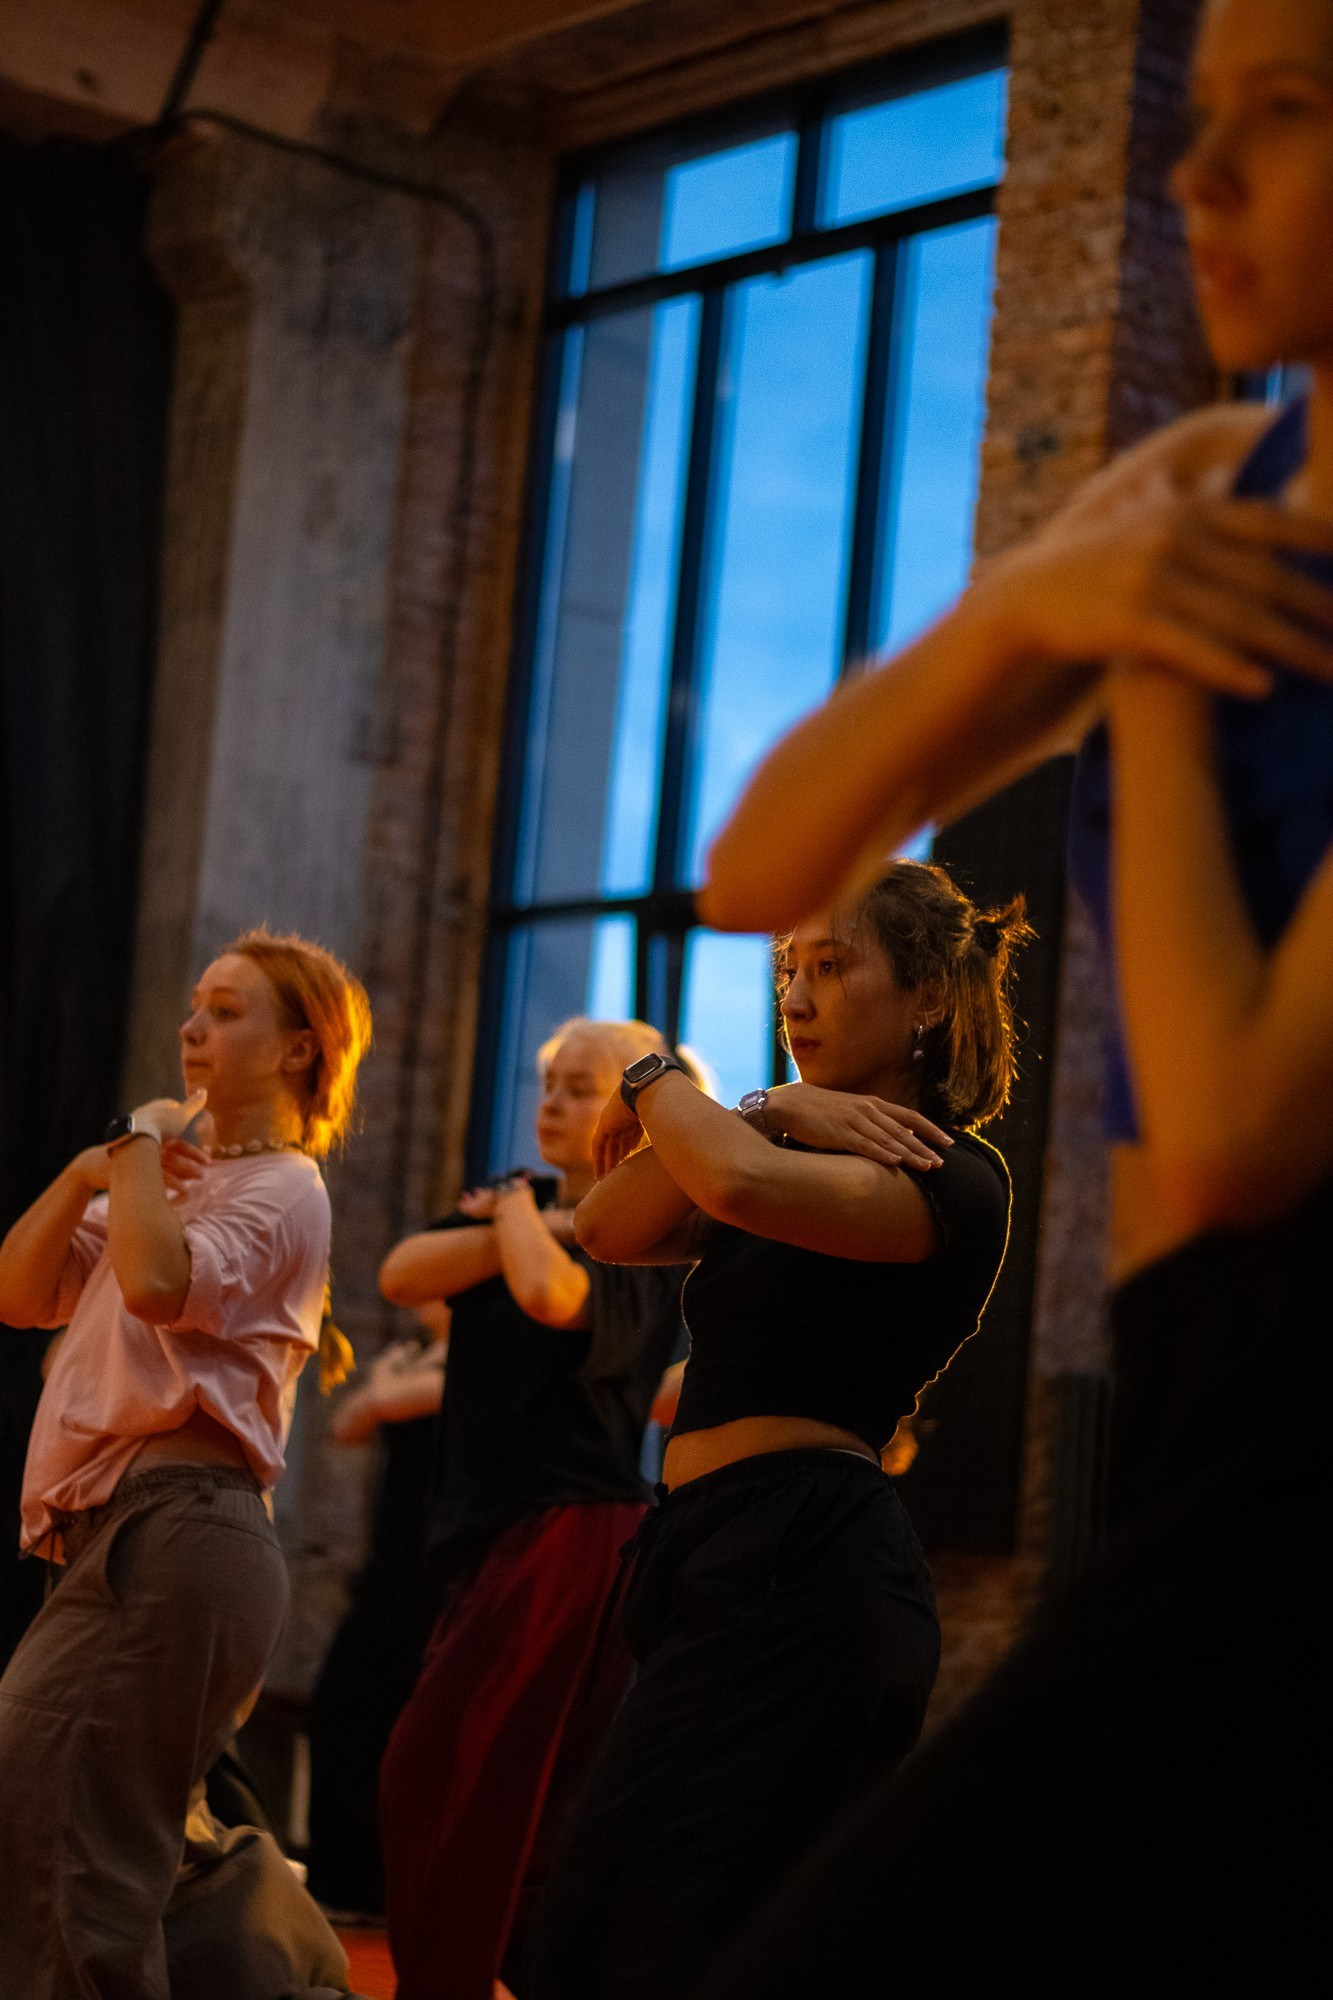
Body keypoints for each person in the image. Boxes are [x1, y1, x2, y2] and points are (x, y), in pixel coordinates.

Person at [688, 1, 1333, 1989]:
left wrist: (1139, 675)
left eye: (1281, 115)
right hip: (1194, 1393)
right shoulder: (1215, 476)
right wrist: (1030, 607)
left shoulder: (1202, 551)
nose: (1193, 179)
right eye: (1198, 114)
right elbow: (760, 866)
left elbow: (1233, 1136)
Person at [529, 862, 1021, 2000]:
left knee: (643, 1930)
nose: (794, 998)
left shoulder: (951, 1174)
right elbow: (605, 1224)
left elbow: (737, 1187)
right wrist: (773, 1105)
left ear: (928, 996)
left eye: (831, 966)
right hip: (708, 1547)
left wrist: (653, 1073)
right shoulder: (781, 1142)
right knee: (610, 1920)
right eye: (787, 970)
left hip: (806, 1560)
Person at [0, 927, 372, 2000]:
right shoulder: (157, 1182)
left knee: (66, 1836)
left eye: (226, 1008)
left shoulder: (287, 1184)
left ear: (299, 1049)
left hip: (179, 1522)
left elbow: (159, 1285)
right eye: (196, 1003)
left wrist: (131, 1143)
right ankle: (289, 1977)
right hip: (119, 1536)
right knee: (113, 1837)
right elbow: (20, 1292)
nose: (191, 1025)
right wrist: (90, 1169)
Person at [376, 1017, 693, 2000]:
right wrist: (529, 1217)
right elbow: (401, 1274)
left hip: (573, 1529)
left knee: (446, 1769)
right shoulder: (522, 1209)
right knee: (493, 1782)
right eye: (549, 1081)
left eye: (579, 1085)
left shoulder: (643, 1238)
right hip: (495, 1529)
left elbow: (550, 1295)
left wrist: (523, 1213)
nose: (551, 1101)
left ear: (635, 1108)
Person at [306, 1321, 449, 1922]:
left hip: (440, 1566)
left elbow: (380, 1403)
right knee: (341, 1708)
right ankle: (344, 1882)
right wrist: (388, 1385)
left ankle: (381, 1887)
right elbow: (348, 1423)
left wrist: (387, 1383)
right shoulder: (415, 1355)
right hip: (390, 1562)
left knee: (398, 1720)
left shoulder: (479, 1354)